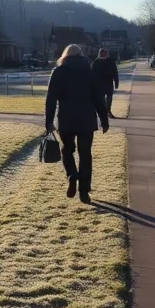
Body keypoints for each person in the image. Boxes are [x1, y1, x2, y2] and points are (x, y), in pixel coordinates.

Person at [45, 44, 109, 203]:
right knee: (85, 154)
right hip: (87, 118)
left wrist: (48, 121)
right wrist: (104, 119)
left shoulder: (58, 72)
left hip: (65, 118)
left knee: (67, 150)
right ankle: (84, 191)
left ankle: (72, 175)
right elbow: (98, 98)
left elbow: (51, 99)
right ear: (81, 56)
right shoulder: (89, 72)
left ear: (64, 56)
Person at [91, 48, 120, 117]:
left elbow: (91, 74)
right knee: (107, 98)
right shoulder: (110, 62)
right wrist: (116, 82)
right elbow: (115, 73)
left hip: (101, 83)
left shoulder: (95, 62)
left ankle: (106, 111)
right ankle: (107, 111)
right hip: (106, 83)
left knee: (103, 98)